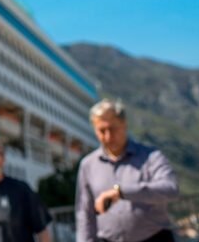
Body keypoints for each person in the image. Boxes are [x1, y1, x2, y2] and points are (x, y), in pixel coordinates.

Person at [75, 99, 179, 242]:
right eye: (101, 130)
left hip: (154, 238)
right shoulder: (87, 165)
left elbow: (170, 189)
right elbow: (84, 213)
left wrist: (121, 192)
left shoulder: (151, 156)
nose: (108, 136)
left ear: (124, 125)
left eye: (112, 129)